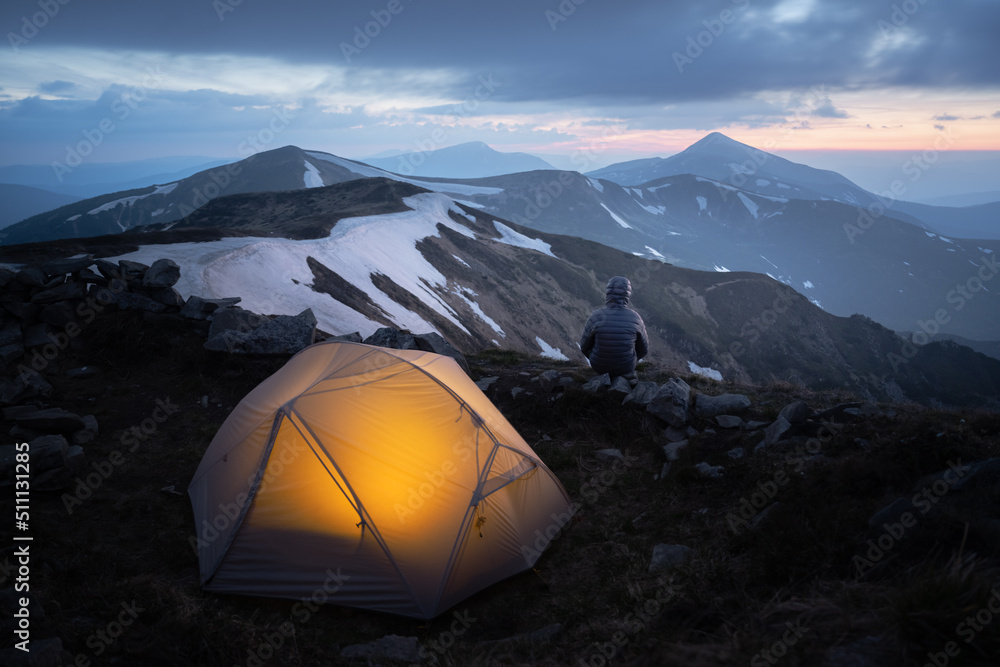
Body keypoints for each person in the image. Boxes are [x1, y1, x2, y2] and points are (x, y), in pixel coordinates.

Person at [579, 276, 649, 383]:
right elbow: (643, 350)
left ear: (608, 293)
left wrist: (597, 358)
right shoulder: (635, 317)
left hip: (599, 367)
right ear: (627, 294)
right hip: (626, 368)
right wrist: (629, 361)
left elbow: (584, 347)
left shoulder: (596, 316)